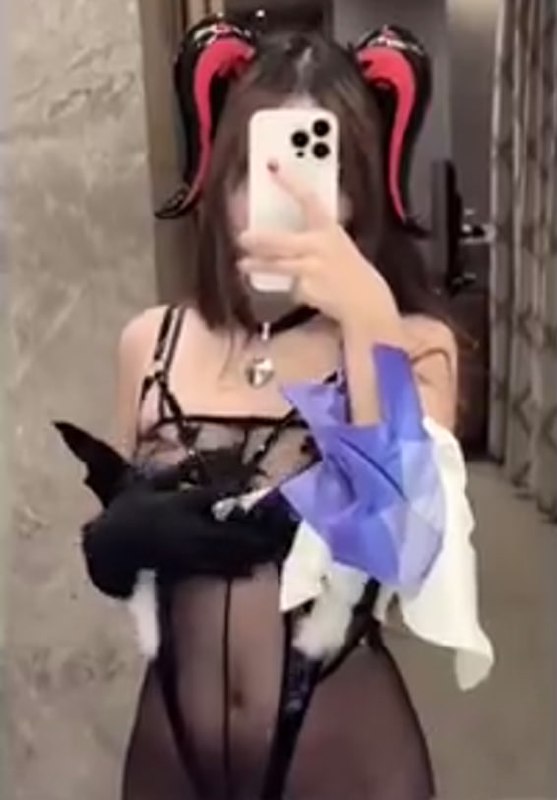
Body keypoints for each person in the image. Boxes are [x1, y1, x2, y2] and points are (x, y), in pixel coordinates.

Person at [57, 17, 494, 800]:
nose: (285, 201)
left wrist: (366, 317)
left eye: (319, 172)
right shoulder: (150, 342)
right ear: (219, 176)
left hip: (343, 748)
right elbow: (131, 569)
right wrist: (117, 538)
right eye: (257, 173)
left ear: (361, 192)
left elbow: (403, 549)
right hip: (169, 747)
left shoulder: (414, 344)